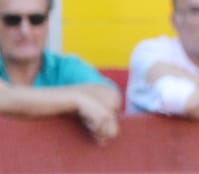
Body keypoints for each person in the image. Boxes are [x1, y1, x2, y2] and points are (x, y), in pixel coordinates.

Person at [0, 0, 119, 142]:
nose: (25, 30)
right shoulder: (75, 96)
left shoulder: (65, 66)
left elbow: (108, 97)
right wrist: (76, 101)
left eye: (36, 19)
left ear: (48, 22)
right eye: (12, 20)